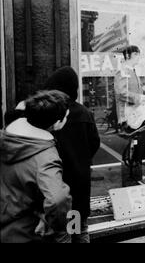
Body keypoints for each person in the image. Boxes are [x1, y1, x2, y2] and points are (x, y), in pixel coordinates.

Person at [0, 90, 72, 243]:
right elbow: (57, 200)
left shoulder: (7, 136)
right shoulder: (45, 157)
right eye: (66, 116)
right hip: (30, 232)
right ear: (57, 122)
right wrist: (55, 224)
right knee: (67, 234)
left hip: (8, 226)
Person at [44, 66, 100, 243]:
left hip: (58, 187)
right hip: (80, 186)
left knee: (63, 234)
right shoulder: (84, 112)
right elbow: (94, 143)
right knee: (79, 230)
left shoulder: (51, 114)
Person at [114, 45, 145, 130]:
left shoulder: (132, 71)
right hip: (127, 117)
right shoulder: (122, 72)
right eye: (135, 54)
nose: (138, 56)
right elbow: (121, 93)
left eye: (139, 54)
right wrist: (141, 97)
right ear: (128, 56)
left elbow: (136, 91)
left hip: (136, 116)